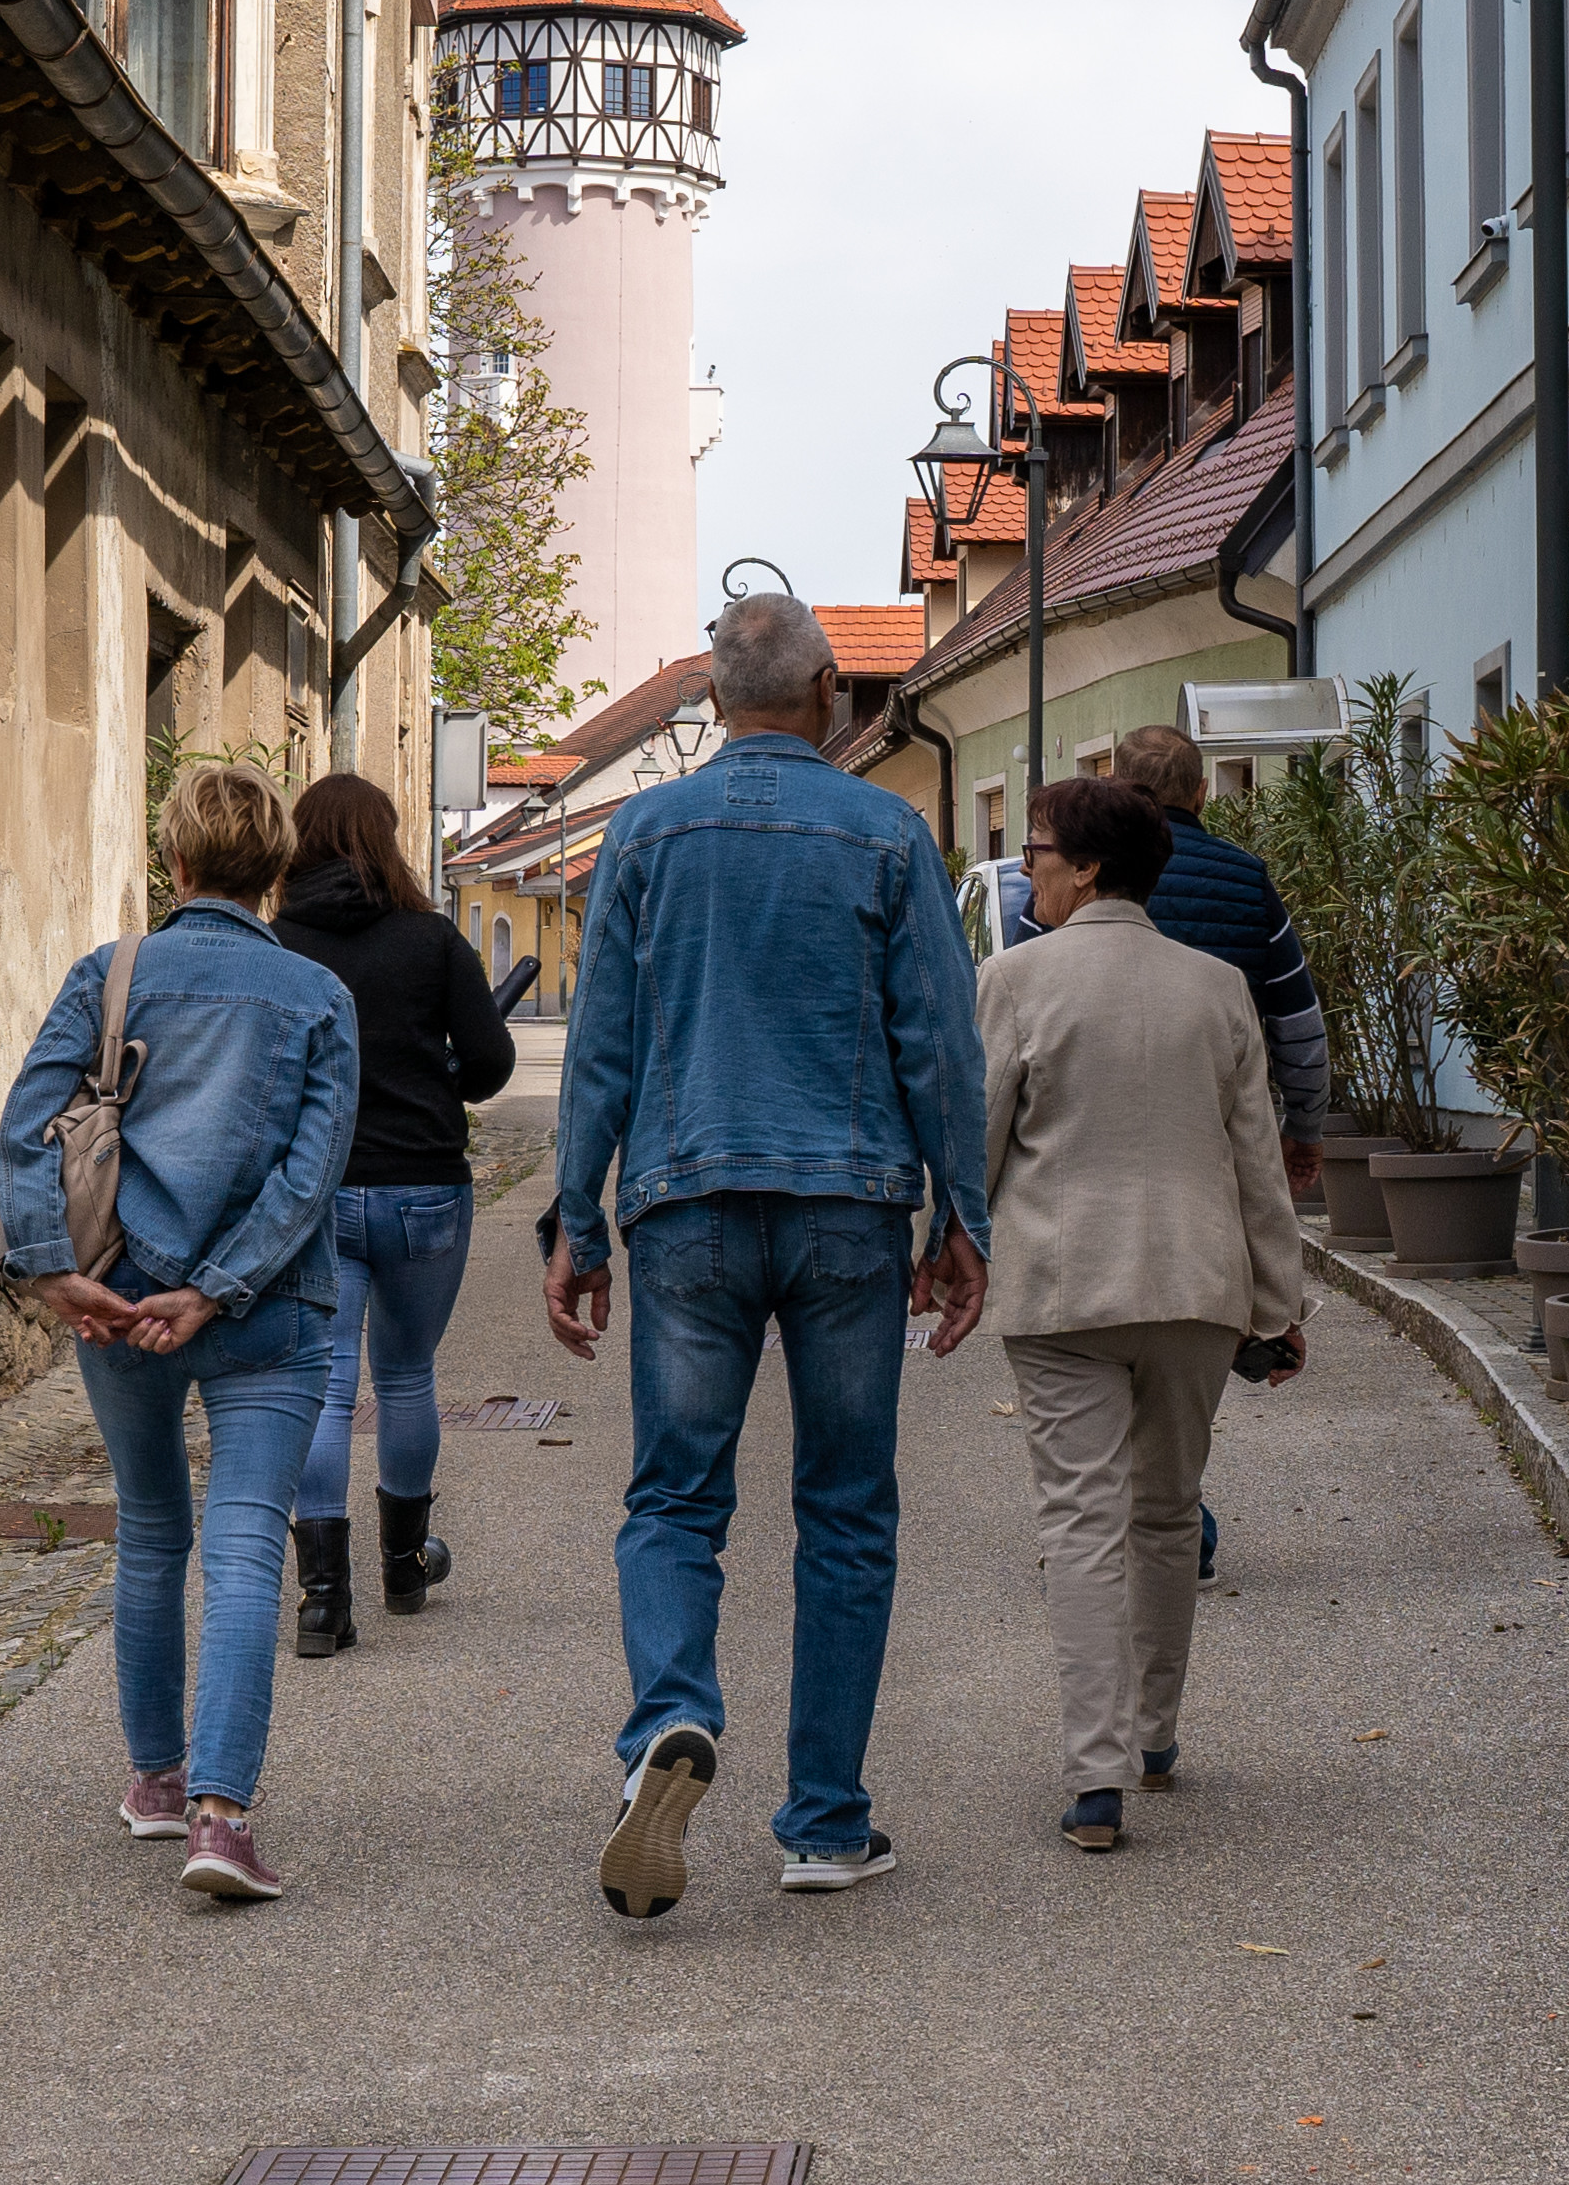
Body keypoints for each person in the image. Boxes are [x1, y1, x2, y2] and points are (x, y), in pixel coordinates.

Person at [542, 590, 993, 1916]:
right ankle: (825, 1821)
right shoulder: (889, 834)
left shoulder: (643, 832)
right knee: (847, 1505)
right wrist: (959, 1215)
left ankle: (669, 1722)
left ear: (715, 705)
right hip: (850, 1208)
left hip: (683, 1203)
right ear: (826, 697)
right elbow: (941, 1046)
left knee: (677, 1498)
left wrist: (578, 1219)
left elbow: (602, 1043)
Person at [0, 763, 358, 1907]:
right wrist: (221, 1286)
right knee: (247, 1540)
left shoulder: (110, 975)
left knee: (152, 1529)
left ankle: (153, 1781)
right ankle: (221, 1817)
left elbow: (22, 1132)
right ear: (275, 875)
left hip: (117, 1292)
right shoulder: (317, 998)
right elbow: (312, 1173)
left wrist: (56, 1273)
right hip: (268, 1308)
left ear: (178, 862)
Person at [975, 772, 1312, 1849]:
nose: (1025, 866)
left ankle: (1094, 1778)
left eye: (1034, 850)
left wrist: (946, 1257)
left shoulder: (1013, 979)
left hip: (1060, 1286)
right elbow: (1254, 1158)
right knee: (1166, 1513)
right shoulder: (1216, 987)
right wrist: (1277, 1300)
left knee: (1078, 1520)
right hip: (1193, 1286)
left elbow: (978, 1139)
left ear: (1084, 867)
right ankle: (1157, 1734)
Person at [271, 768, 517, 1656]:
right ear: (386, 840)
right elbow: (489, 1064)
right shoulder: (433, 939)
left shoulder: (280, 944)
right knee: (406, 1375)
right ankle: (406, 1565)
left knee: (329, 1383)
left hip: (319, 1193)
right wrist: (435, 1075)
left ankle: (322, 1603)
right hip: (423, 1188)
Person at [1105, 719, 1328, 1594]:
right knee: (1189, 1336)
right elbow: (1298, 1027)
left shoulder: (1078, 882)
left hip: (1099, 1136)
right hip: (1215, 1142)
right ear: (1201, 795)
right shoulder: (1246, 880)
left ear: (1117, 789)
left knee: (1104, 1333)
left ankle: (1148, 1515)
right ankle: (1175, 1510)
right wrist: (1302, 1124)